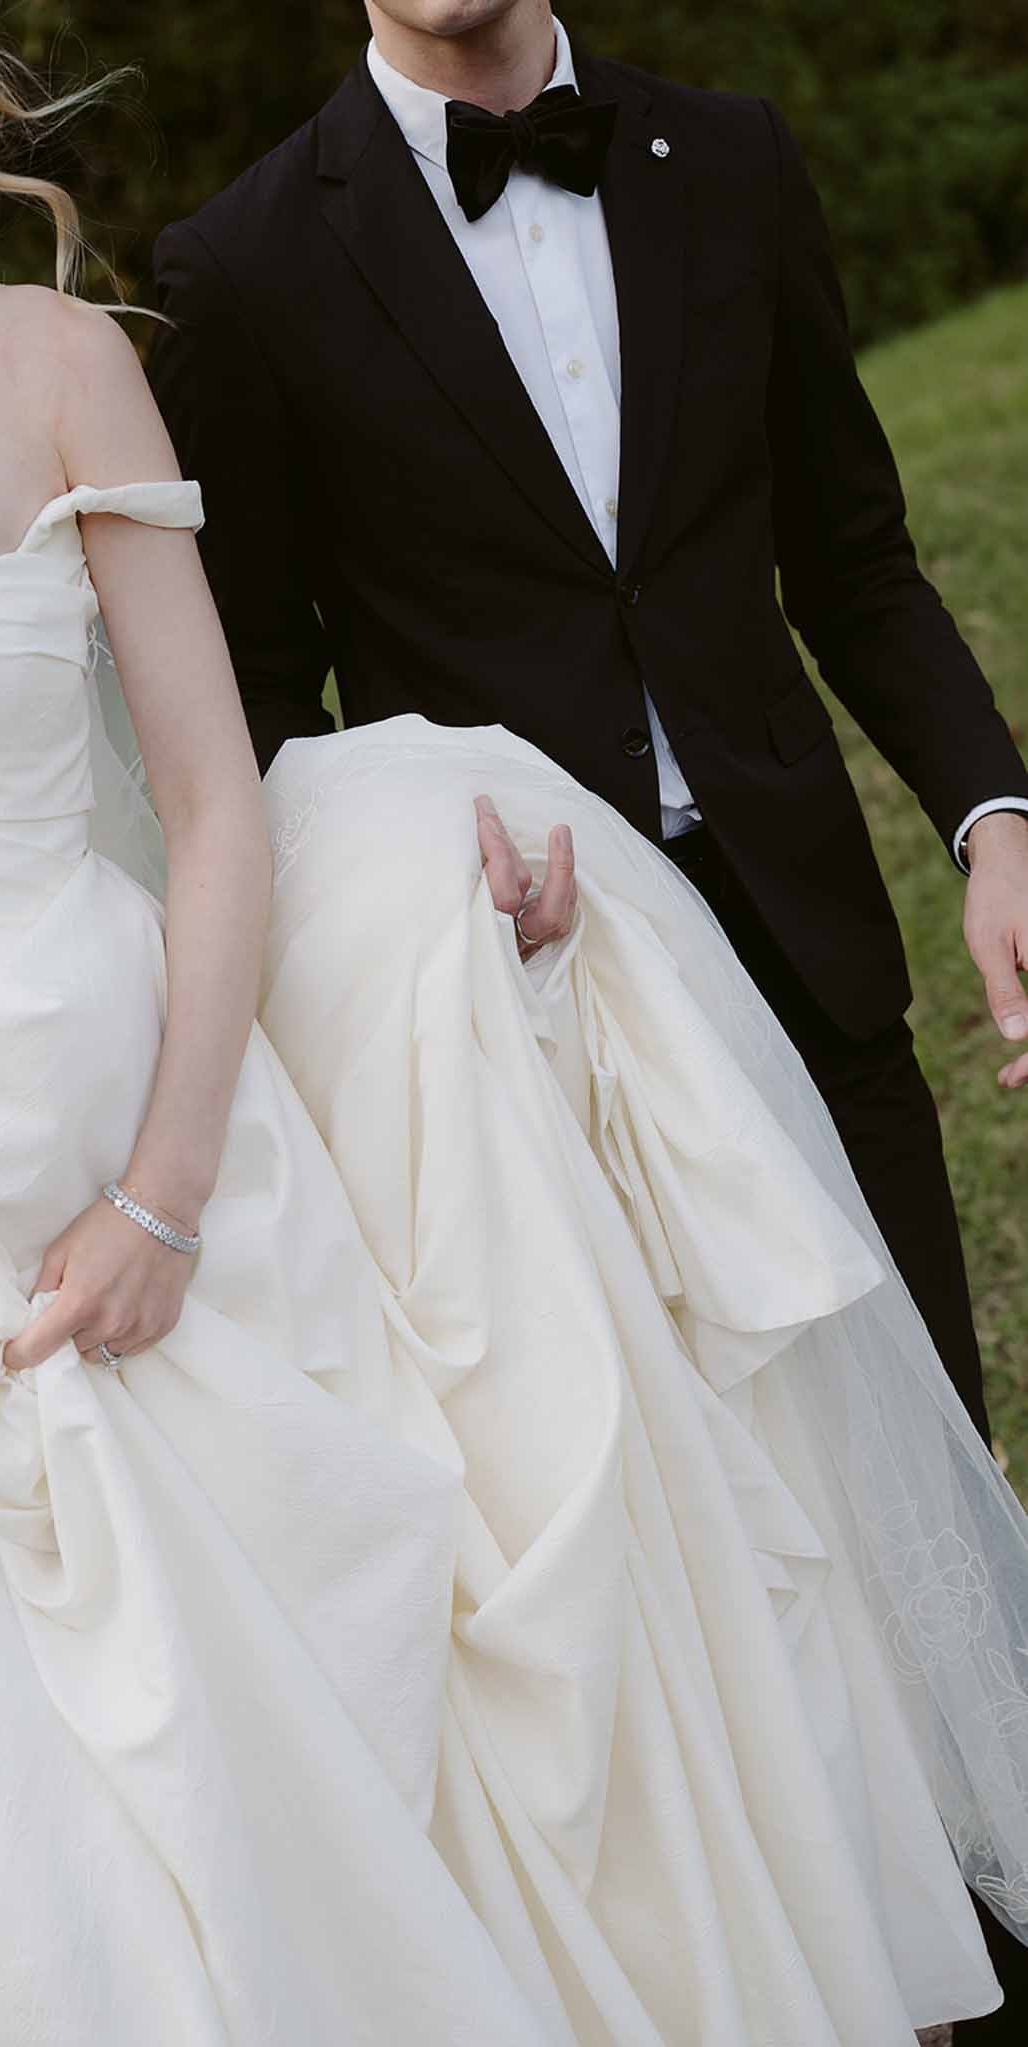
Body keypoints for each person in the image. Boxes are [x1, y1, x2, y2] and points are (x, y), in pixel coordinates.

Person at [0, 6, 1028, 2044]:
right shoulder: (236, 261)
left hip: (248, 1072)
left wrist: (166, 1191)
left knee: (499, 1652)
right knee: (22, 1826)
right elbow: (243, 710)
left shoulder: (62, 358)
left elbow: (232, 778)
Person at [148, 0, 1028, 1462]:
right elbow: (250, 687)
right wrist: (419, 871)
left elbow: (855, 562)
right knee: (710, 1524)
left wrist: (993, 819)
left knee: (936, 1455)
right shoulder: (238, 266)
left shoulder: (734, 157)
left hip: (806, 954)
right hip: (530, 1007)